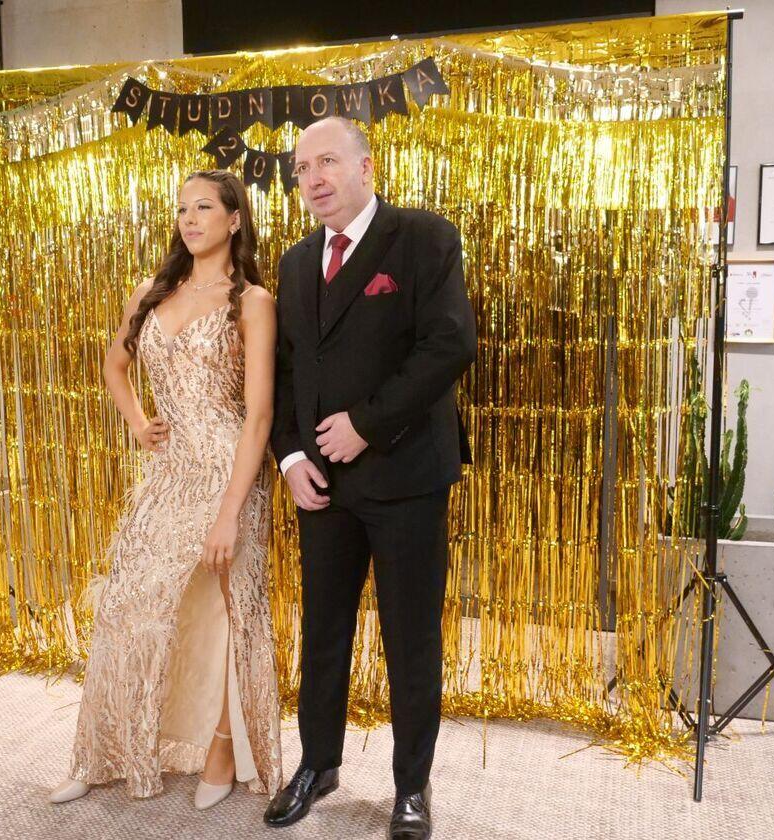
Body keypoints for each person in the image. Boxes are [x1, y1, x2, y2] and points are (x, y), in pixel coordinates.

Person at [264, 117, 477, 840]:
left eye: (326, 162)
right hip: (321, 486)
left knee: (410, 640)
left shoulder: (422, 238)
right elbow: (286, 372)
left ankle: (411, 786)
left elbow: (449, 344)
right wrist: (290, 457)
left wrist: (367, 424)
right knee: (322, 632)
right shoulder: (296, 263)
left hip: (406, 477)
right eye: (301, 169)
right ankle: (317, 764)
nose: (313, 179)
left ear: (366, 166)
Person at [49, 169, 282, 811]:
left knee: (229, 612)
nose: (190, 219)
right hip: (170, 471)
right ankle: (106, 749)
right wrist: (136, 421)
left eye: (203, 207)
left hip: (230, 472)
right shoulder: (152, 291)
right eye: (182, 209)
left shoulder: (253, 301)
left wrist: (230, 514)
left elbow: (259, 417)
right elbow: (114, 365)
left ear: (234, 219)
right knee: (128, 604)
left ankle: (223, 749)